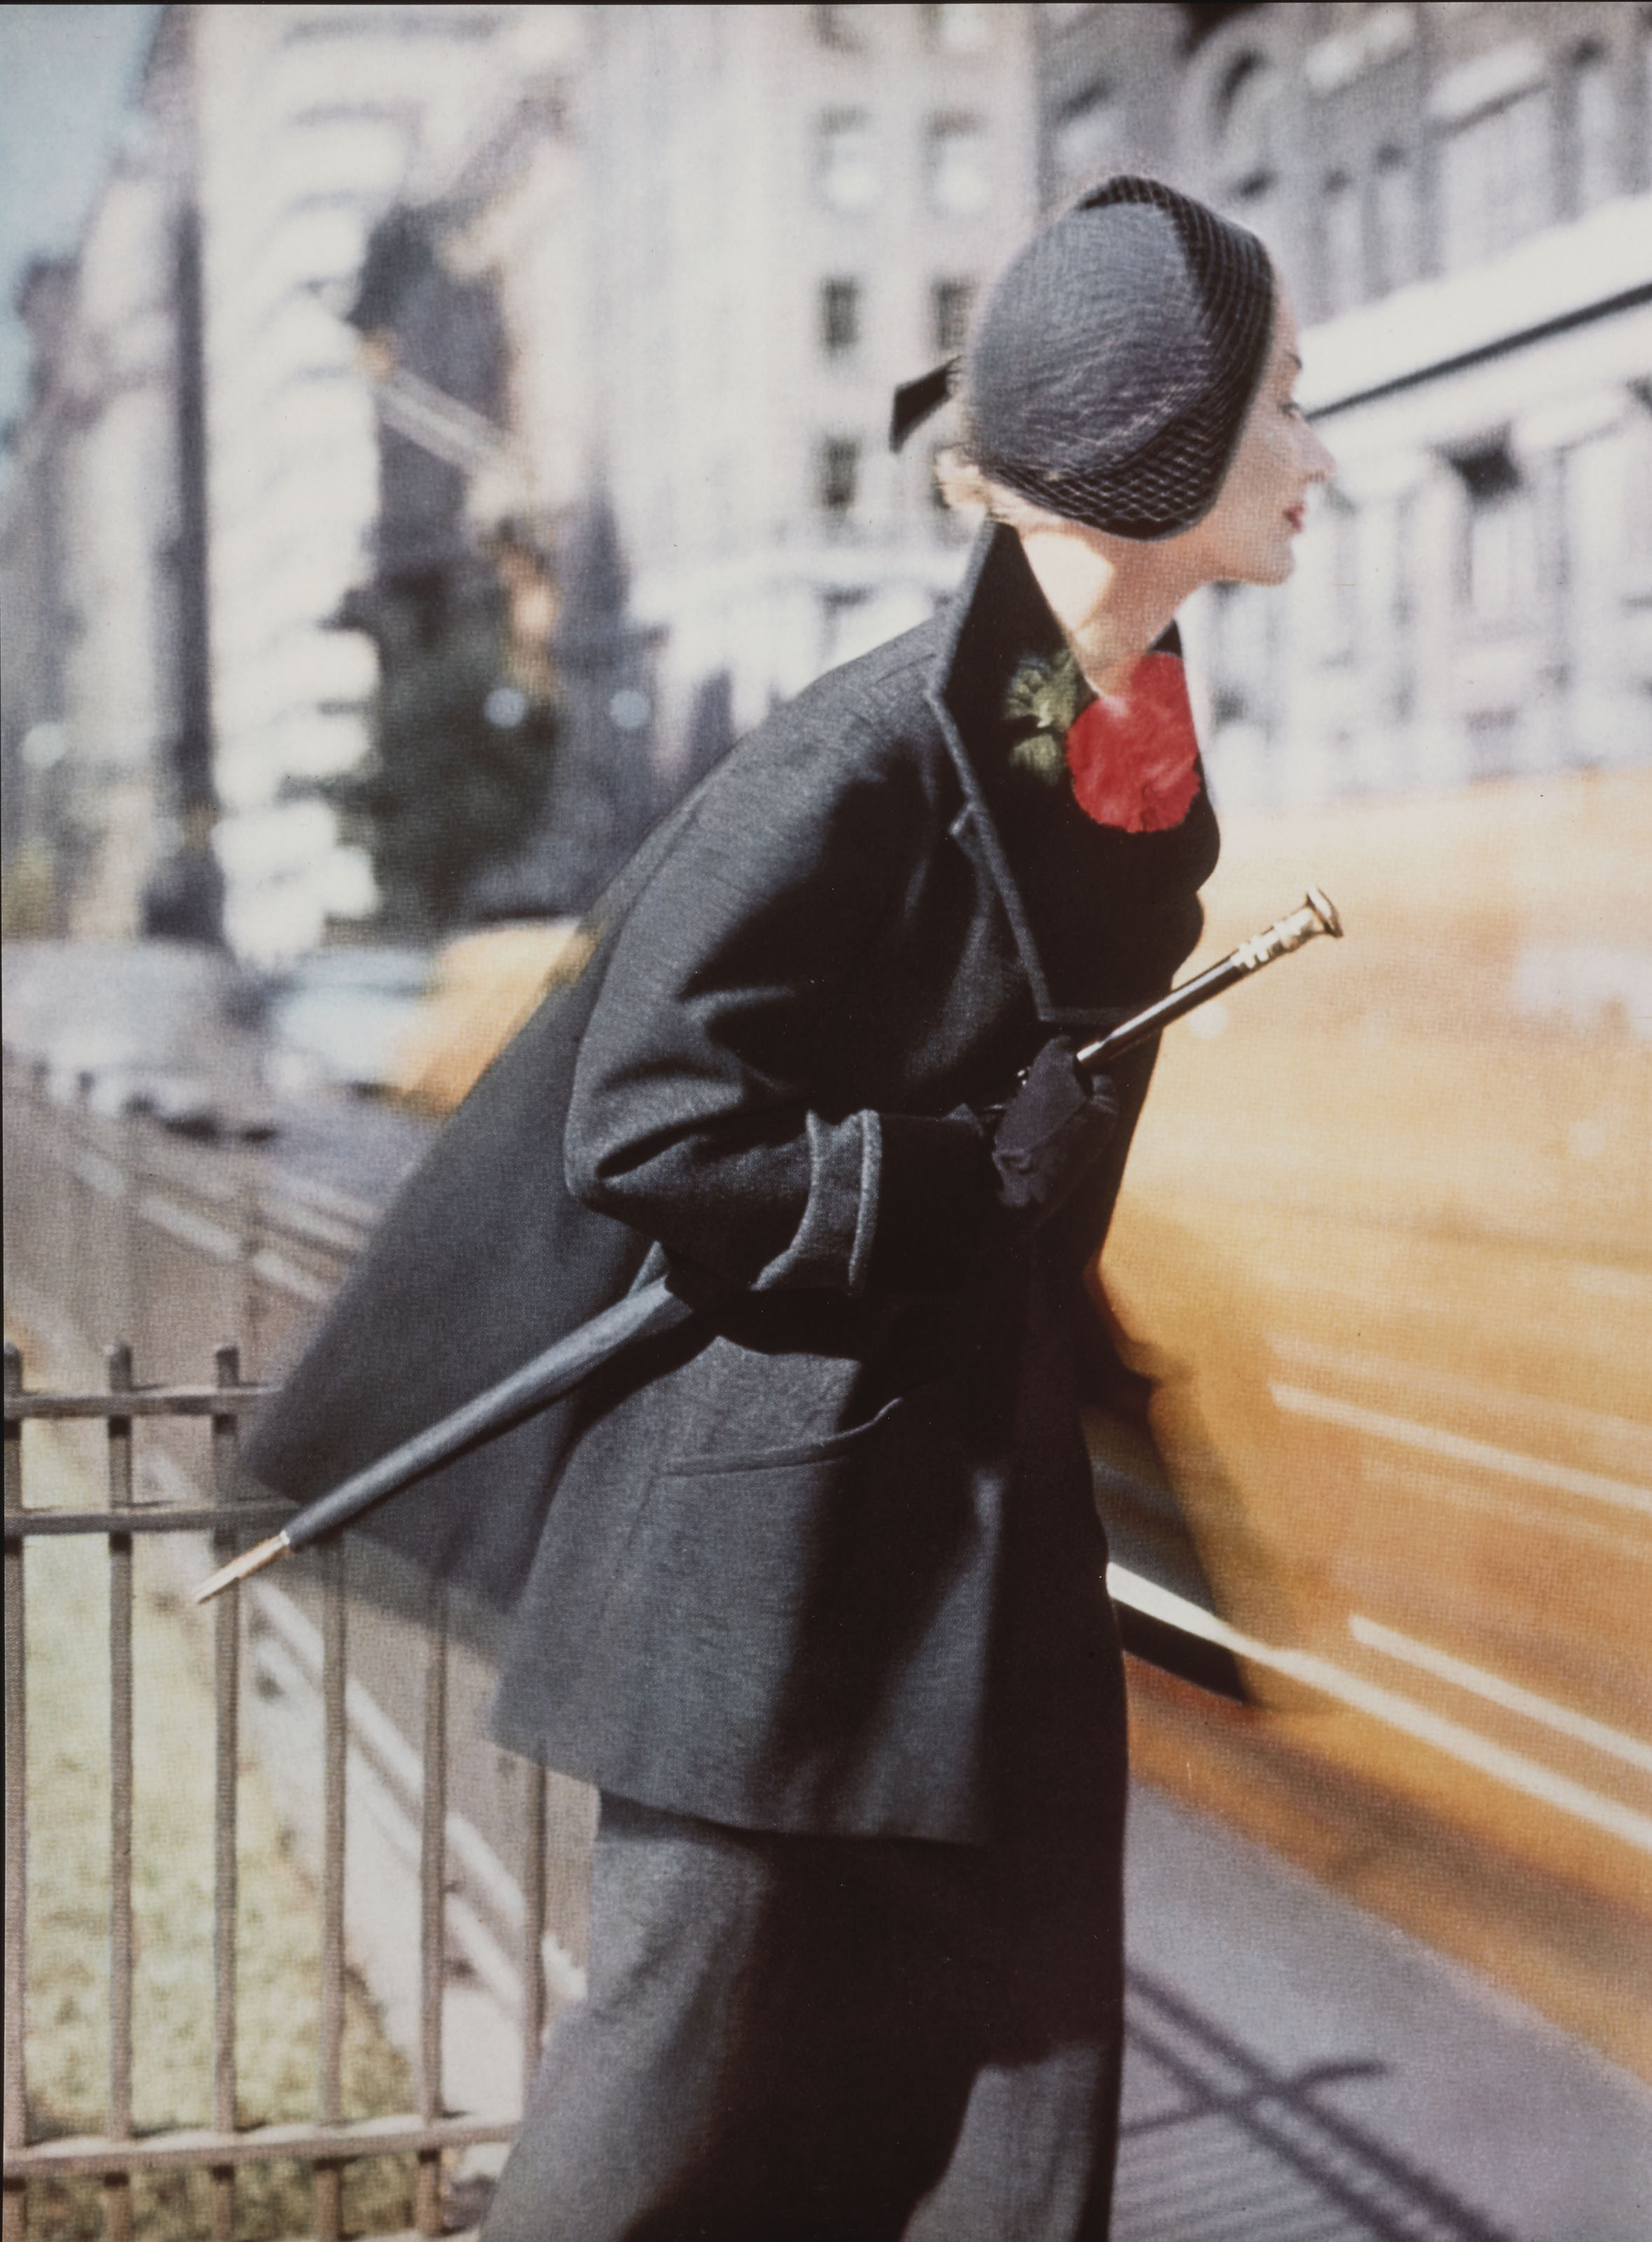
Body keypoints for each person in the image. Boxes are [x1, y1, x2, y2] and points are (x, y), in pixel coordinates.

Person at [246, 174, 1334, 2238]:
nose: (1319, 453)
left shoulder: (1098, 747)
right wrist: (946, 1177)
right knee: (658, 2132)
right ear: (1154, 443)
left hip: (981, 1552)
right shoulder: (861, 758)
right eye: (1284, 402)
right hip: (777, 1574)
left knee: (1015, 2122)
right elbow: (649, 1118)